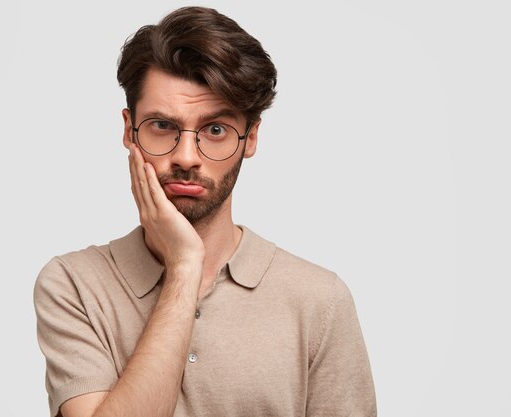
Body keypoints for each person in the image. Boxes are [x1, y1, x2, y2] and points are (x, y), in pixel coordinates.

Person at [34, 6, 376, 417]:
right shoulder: (74, 284)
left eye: (215, 130)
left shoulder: (320, 301)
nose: (186, 156)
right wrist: (183, 265)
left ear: (250, 138)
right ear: (129, 130)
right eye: (162, 125)